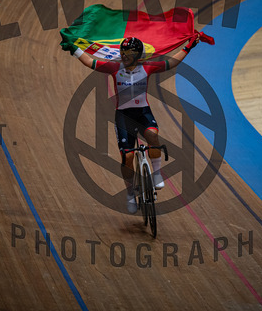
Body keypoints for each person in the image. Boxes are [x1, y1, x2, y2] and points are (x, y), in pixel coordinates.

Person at [73, 36, 198, 213]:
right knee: (128, 157)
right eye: (123, 52)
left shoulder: (147, 67)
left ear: (137, 55)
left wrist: (188, 47)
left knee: (153, 135)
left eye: (129, 53)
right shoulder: (114, 67)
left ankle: (156, 174)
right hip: (123, 116)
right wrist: (74, 48)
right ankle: (130, 193)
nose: (124, 56)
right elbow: (89, 62)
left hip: (143, 113)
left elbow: (170, 63)